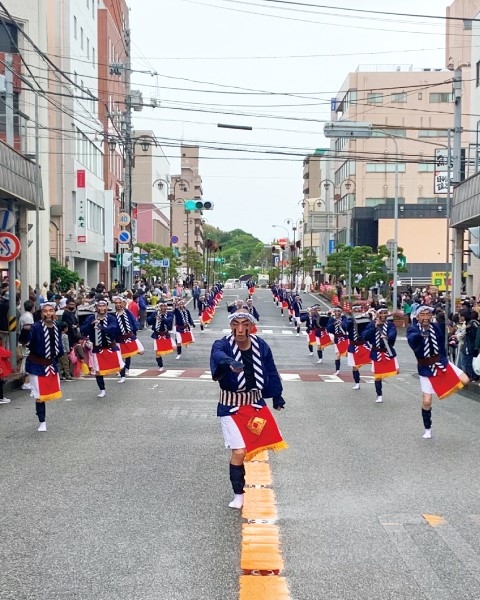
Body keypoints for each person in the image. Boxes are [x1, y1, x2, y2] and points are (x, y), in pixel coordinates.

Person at [210, 310, 287, 509]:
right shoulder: (223, 344)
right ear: (231, 326)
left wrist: (276, 395)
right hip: (231, 405)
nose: (241, 329)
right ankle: (238, 493)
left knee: (257, 445)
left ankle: (242, 489)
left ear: (252, 326)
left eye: (245, 324)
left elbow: (270, 369)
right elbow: (218, 355)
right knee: (239, 450)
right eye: (236, 323)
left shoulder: (260, 345)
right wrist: (229, 362)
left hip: (254, 404)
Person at [407, 305, 469, 439]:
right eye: (422, 314)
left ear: (431, 316)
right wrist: (421, 334)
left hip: (441, 362)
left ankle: (448, 386)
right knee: (427, 402)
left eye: (427, 314)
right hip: (425, 367)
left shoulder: (435, 327)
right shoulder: (412, 329)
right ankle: (427, 428)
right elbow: (413, 342)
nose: (425, 317)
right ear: (417, 317)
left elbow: (441, 344)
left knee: (465, 380)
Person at [19, 302, 64, 431]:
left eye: (51, 311)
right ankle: (42, 421)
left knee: (48, 393)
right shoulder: (35, 327)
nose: (48, 313)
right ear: (41, 313)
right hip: (36, 365)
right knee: (40, 395)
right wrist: (25, 331)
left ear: (54, 313)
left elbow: (58, 344)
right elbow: (24, 341)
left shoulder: (56, 326)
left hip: (51, 364)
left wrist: (60, 353)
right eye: (45, 311)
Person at [80, 299, 123, 397]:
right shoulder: (91, 318)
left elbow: (113, 328)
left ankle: (123, 376)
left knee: (120, 365)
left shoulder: (111, 318)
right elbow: (82, 330)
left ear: (107, 307)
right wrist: (91, 325)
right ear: (96, 308)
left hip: (110, 346)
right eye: (99, 306)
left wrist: (101, 327)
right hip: (98, 348)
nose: (102, 308)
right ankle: (102, 389)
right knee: (98, 371)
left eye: (104, 306)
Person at [362, 307, 398, 403]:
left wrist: (387, 337)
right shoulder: (371, 325)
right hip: (376, 352)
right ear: (377, 315)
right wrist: (374, 327)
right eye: (381, 313)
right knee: (377, 376)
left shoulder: (390, 325)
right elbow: (365, 336)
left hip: (387, 351)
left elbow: (393, 333)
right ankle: (379, 394)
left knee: (396, 371)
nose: (383, 315)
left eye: (385, 313)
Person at [113, 296, 144, 383]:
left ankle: (127, 367)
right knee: (121, 356)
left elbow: (133, 321)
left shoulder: (127, 312)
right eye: (116, 303)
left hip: (130, 335)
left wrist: (135, 330)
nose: (118, 305)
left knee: (141, 351)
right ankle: (122, 374)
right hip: (119, 338)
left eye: (120, 303)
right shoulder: (113, 315)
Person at [347, 310, 372, 391]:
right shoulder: (349, 322)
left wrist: (370, 316)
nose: (357, 311)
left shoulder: (364, 321)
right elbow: (345, 326)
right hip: (353, 346)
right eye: (355, 309)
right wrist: (351, 320)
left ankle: (380, 374)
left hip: (363, 345)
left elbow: (370, 327)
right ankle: (357, 383)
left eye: (358, 309)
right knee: (354, 366)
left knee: (373, 360)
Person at [150, 302, 175, 372]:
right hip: (157, 334)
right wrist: (154, 317)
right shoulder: (155, 314)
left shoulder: (169, 314)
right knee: (157, 352)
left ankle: (172, 351)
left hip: (165, 334)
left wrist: (161, 318)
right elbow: (149, 321)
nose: (163, 308)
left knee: (174, 347)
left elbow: (168, 321)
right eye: (161, 306)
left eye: (164, 306)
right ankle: (160, 365)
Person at [327, 307, 349, 375]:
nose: (338, 313)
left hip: (344, 338)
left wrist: (341, 324)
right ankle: (337, 370)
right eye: (336, 311)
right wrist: (334, 324)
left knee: (349, 353)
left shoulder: (344, 318)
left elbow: (346, 326)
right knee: (338, 354)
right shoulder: (332, 319)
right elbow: (328, 329)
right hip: (337, 338)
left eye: (339, 311)